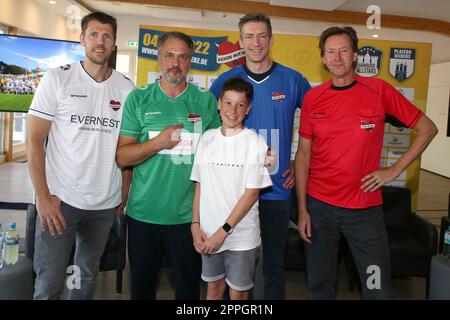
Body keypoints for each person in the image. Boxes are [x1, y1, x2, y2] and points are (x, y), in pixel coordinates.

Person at [294, 26, 438, 300]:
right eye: (331, 52)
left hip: (365, 212)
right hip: (319, 208)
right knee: (319, 288)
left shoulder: (378, 90)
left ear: (356, 55)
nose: (337, 58)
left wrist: (395, 169)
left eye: (344, 50)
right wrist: (302, 209)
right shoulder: (313, 98)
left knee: (378, 289)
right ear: (323, 59)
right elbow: (303, 155)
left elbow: (427, 128)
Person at [27, 12, 135, 300]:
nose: (100, 42)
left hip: (104, 206)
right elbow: (34, 140)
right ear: (82, 39)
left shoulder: (127, 89)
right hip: (60, 202)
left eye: (107, 36)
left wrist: (124, 191)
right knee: (49, 284)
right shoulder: (58, 78)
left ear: (114, 43)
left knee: (83, 278)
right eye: (94, 35)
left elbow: (127, 148)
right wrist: (42, 197)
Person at [209, 12, 311, 299]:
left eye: (262, 35)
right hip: (234, 193)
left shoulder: (292, 80)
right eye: (250, 36)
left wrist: (301, 161)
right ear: (241, 41)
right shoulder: (225, 81)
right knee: (236, 266)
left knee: (273, 265)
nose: (256, 42)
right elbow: (208, 128)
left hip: (275, 190)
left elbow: (319, 124)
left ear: (271, 39)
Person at [116, 31, 221, 300]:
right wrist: (158, 143)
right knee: (142, 289)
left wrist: (254, 152)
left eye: (183, 57)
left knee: (187, 291)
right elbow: (122, 157)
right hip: (143, 215)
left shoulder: (205, 101)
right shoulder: (138, 100)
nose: (176, 63)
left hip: (188, 218)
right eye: (170, 56)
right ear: (159, 59)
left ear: (190, 62)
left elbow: (220, 151)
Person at [190, 77, 272, 300]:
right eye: (228, 103)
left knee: (238, 294)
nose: (233, 110)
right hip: (207, 234)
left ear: (248, 108)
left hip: (240, 237)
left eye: (240, 104)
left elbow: (251, 193)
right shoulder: (207, 139)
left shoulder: (255, 143)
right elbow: (200, 185)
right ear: (218, 103)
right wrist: (195, 225)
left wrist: (223, 231)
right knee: (213, 289)